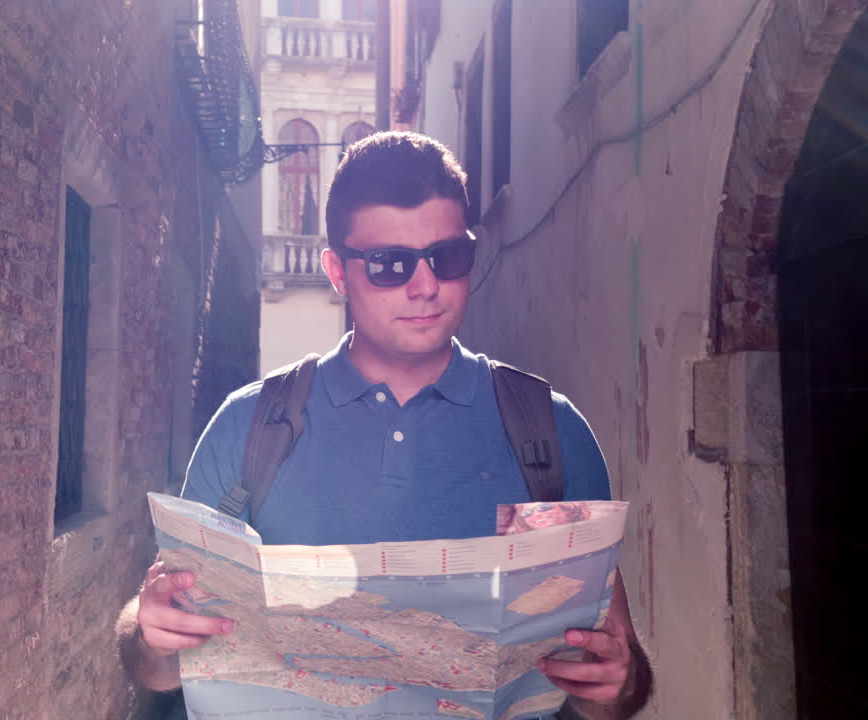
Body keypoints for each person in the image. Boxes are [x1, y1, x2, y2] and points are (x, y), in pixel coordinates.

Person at [116, 131, 652, 719]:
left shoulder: (549, 434)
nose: (424, 286)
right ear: (337, 272)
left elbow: (612, 687)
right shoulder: (250, 430)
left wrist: (617, 681)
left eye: (446, 258)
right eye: (389, 265)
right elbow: (160, 672)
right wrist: (150, 633)